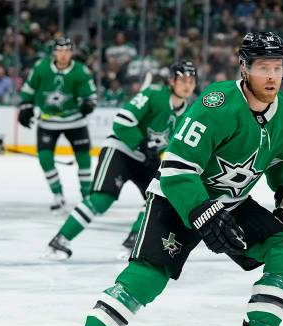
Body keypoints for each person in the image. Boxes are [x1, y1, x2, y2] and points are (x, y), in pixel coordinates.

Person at [48, 32, 283, 326]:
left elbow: (282, 161)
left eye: (278, 68)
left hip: (230, 204)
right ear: (245, 68)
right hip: (178, 198)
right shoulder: (217, 103)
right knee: (149, 274)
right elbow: (175, 167)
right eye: (263, 67)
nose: (271, 76)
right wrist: (201, 210)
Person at [44, 61, 197, 260]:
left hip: (146, 159)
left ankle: (133, 241)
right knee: (102, 199)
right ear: (171, 80)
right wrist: (141, 144)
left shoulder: (189, 113)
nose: (188, 85)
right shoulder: (153, 94)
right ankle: (60, 240)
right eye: (183, 80)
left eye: (192, 81)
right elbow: (122, 122)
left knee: (158, 197)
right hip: (121, 150)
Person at [18, 37, 97, 211]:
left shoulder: (81, 71)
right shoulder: (41, 67)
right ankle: (57, 194)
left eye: (67, 51)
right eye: (60, 51)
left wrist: (88, 105)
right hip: (48, 121)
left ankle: (87, 196)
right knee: (45, 158)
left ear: (71, 52)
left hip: (75, 121)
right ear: (54, 52)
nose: (63, 55)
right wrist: (25, 107)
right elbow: (28, 90)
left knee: (84, 159)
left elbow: (90, 96)